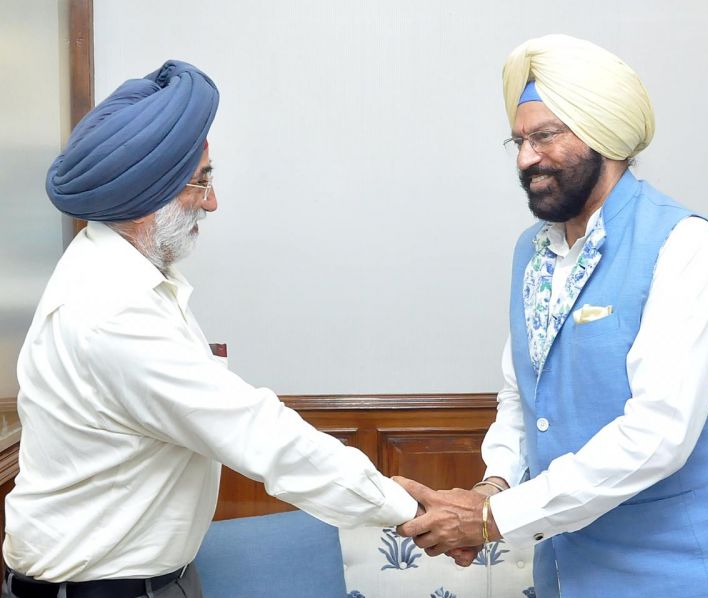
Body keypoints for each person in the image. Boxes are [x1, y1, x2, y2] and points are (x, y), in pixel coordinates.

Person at [3, 60, 416, 598]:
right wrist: (406, 507)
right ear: (148, 197)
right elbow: (257, 432)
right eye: (202, 182)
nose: (213, 202)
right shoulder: (112, 310)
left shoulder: (133, 277)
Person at [395, 34, 708, 597]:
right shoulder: (531, 251)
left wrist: (495, 519)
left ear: (604, 136)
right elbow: (522, 396)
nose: (525, 159)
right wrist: (494, 486)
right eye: (518, 140)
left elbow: (659, 434)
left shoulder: (686, 245)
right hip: (570, 576)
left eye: (545, 136)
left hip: (686, 575)